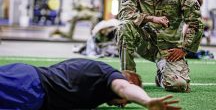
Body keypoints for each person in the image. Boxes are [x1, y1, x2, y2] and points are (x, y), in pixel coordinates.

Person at [116, 0, 204, 93]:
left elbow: (196, 23)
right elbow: (123, 14)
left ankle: (162, 75)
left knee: (179, 85)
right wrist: (151, 18)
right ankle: (129, 78)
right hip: (145, 43)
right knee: (123, 26)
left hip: (169, 50)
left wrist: (185, 49)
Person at [0, 58, 181, 110]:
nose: (124, 104)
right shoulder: (109, 75)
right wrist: (146, 101)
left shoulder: (95, 88)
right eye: (127, 102)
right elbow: (124, 88)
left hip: (25, 76)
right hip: (30, 88)